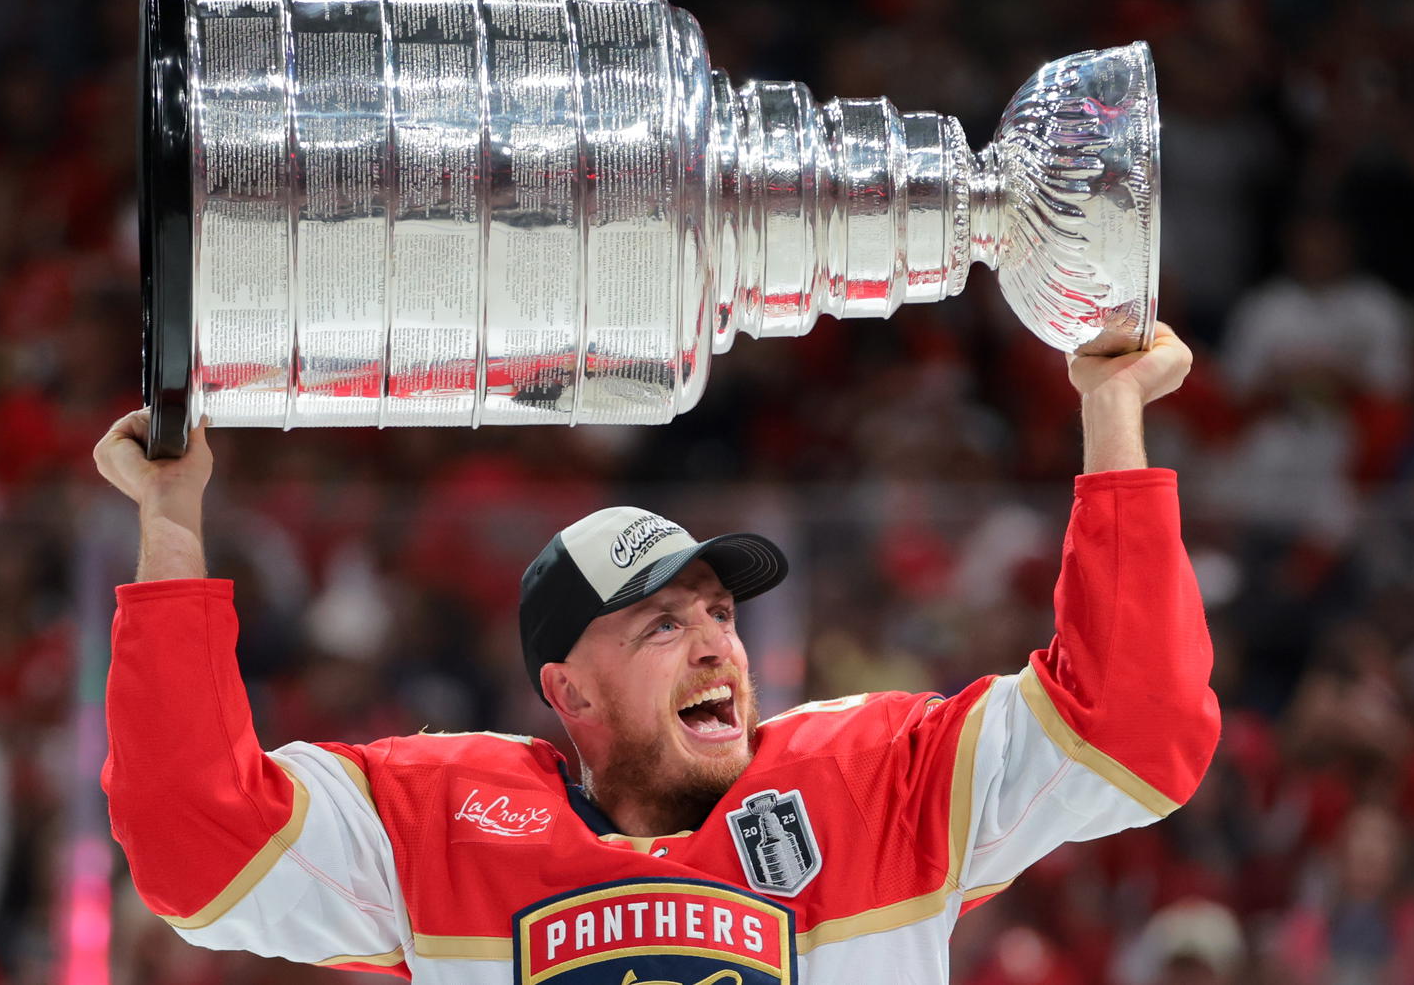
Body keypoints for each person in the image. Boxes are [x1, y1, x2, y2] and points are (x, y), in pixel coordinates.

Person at [92, 323, 1220, 985]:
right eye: (661, 624)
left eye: (719, 613)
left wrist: (1111, 412)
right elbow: (197, 841)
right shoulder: (440, 821)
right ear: (565, 690)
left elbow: (1135, 730)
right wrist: (172, 517)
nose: (714, 646)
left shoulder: (881, 781)